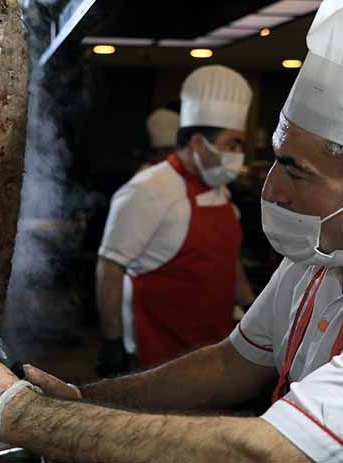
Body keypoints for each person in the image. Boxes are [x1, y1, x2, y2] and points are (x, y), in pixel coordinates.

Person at [0, 1, 343, 461]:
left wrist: (16, 413)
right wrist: (85, 399)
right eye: (275, 159)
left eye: (296, 171)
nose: (269, 189)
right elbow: (232, 364)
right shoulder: (322, 255)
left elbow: (263, 451)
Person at [96, 65, 256, 376]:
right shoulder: (148, 190)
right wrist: (111, 341)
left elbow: (227, 260)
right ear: (198, 144)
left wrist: (251, 309)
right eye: (232, 145)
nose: (239, 155)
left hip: (211, 348)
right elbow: (110, 267)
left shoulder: (219, 190)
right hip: (157, 350)